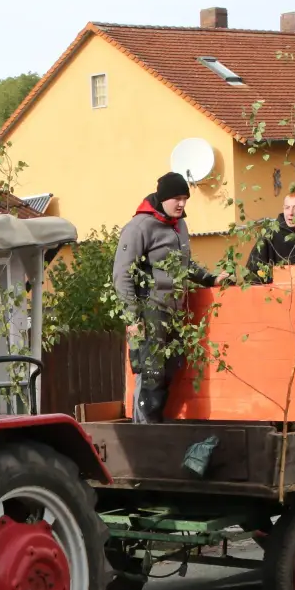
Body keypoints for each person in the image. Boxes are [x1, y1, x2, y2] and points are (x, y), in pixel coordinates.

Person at [112, 171, 232, 423]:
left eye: (185, 199)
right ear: (163, 198)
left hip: (173, 310)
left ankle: (155, 427)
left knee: (170, 370)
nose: (181, 204)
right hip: (148, 309)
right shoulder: (139, 227)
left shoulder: (179, 225)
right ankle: (144, 433)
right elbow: (121, 275)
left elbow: (183, 264)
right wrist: (132, 317)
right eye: (176, 198)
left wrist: (210, 279)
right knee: (151, 372)